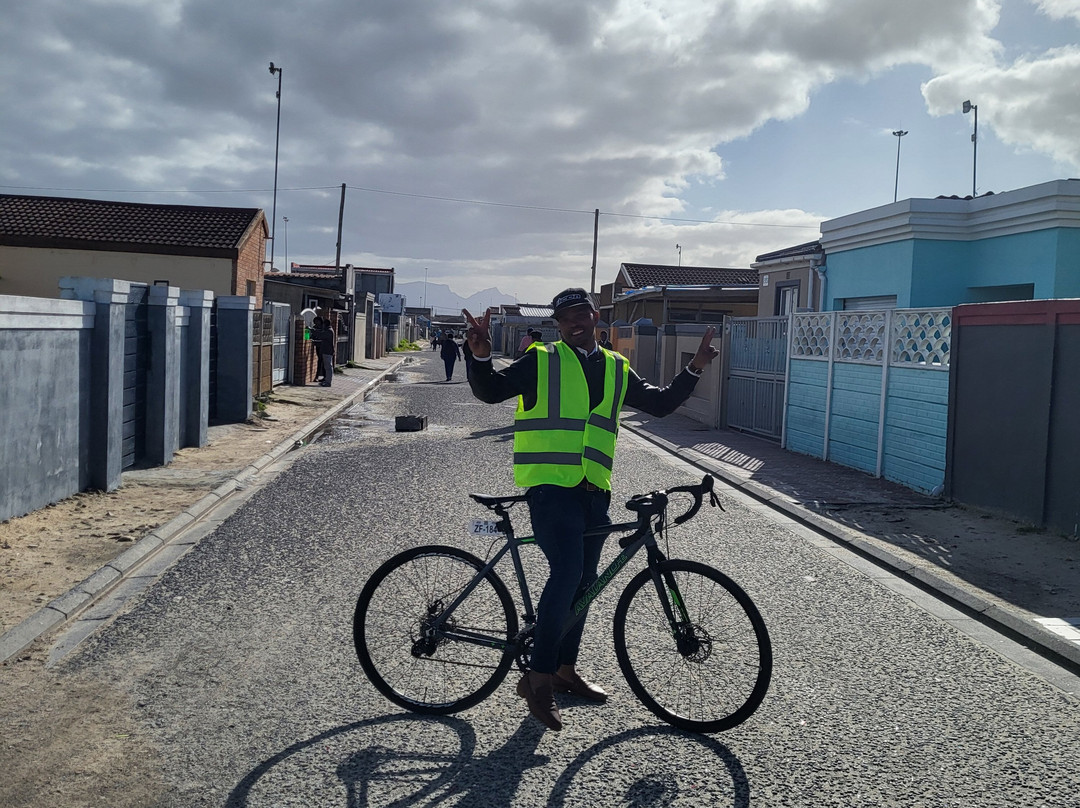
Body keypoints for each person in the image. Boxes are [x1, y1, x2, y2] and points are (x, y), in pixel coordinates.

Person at [463, 287, 718, 732]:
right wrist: (481, 356)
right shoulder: (542, 359)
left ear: (595, 316)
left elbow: (658, 405)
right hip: (550, 489)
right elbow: (491, 392)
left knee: (584, 584)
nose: (573, 323)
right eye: (564, 319)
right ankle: (537, 679)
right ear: (557, 325)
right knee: (566, 573)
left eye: (580, 314)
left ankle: (564, 671)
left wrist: (694, 368)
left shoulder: (617, 368)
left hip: (594, 490)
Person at [313, 316, 336, 387]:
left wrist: (312, 331)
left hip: (327, 351)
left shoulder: (329, 331)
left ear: (325, 325)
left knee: (328, 367)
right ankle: (326, 380)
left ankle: (328, 382)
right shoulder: (329, 330)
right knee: (327, 366)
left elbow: (320, 335)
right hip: (326, 351)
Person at [311, 316, 325, 383]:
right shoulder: (314, 327)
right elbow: (312, 335)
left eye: (317, 321)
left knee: (322, 361)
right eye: (315, 321)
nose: (316, 323)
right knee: (320, 360)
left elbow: (321, 335)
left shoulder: (323, 328)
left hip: (323, 346)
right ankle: (318, 376)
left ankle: (321, 376)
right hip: (317, 346)